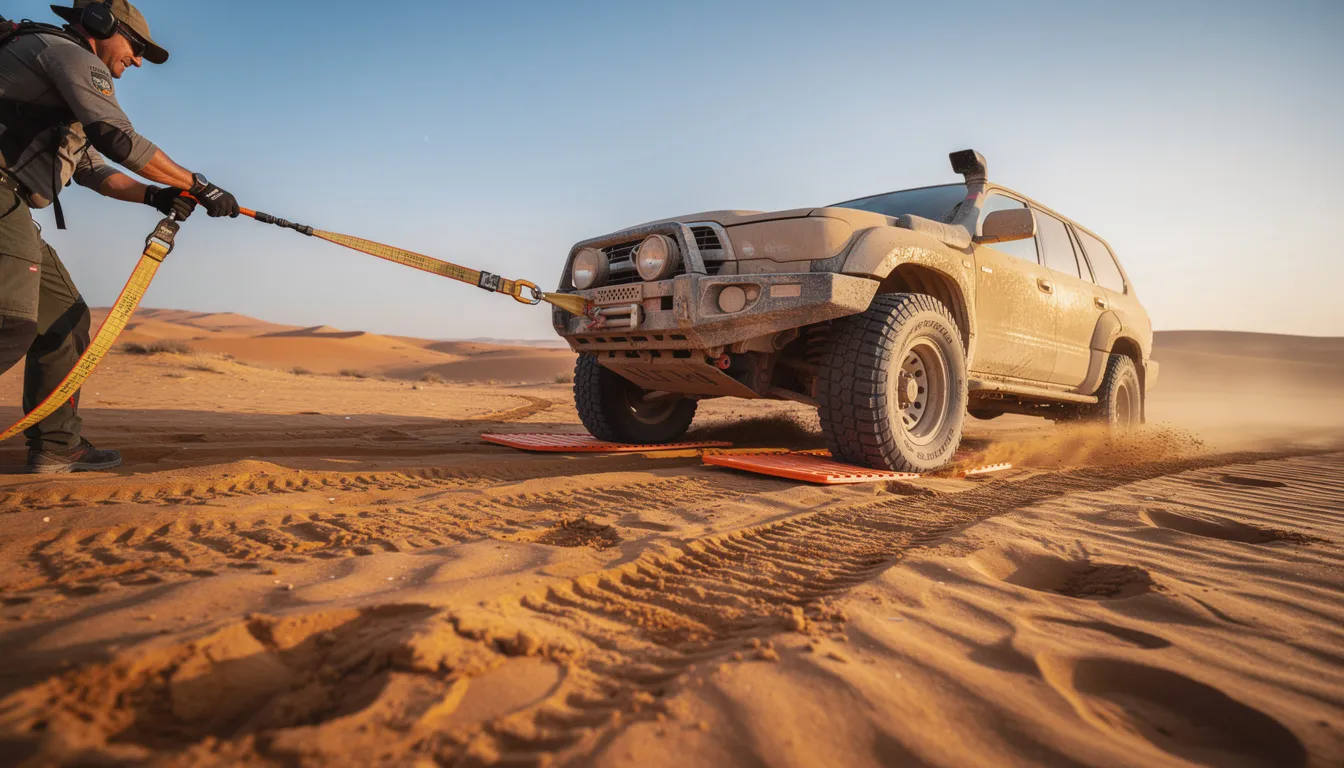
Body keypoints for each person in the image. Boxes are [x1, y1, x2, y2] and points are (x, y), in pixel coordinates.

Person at [0, 0, 240, 473]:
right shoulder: (70, 56)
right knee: (8, 325)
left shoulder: (52, 82)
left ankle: (55, 445)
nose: (136, 61)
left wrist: (156, 196)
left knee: (64, 318)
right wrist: (198, 183)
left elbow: (92, 169)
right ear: (99, 24)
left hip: (11, 205)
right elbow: (119, 139)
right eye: (136, 47)